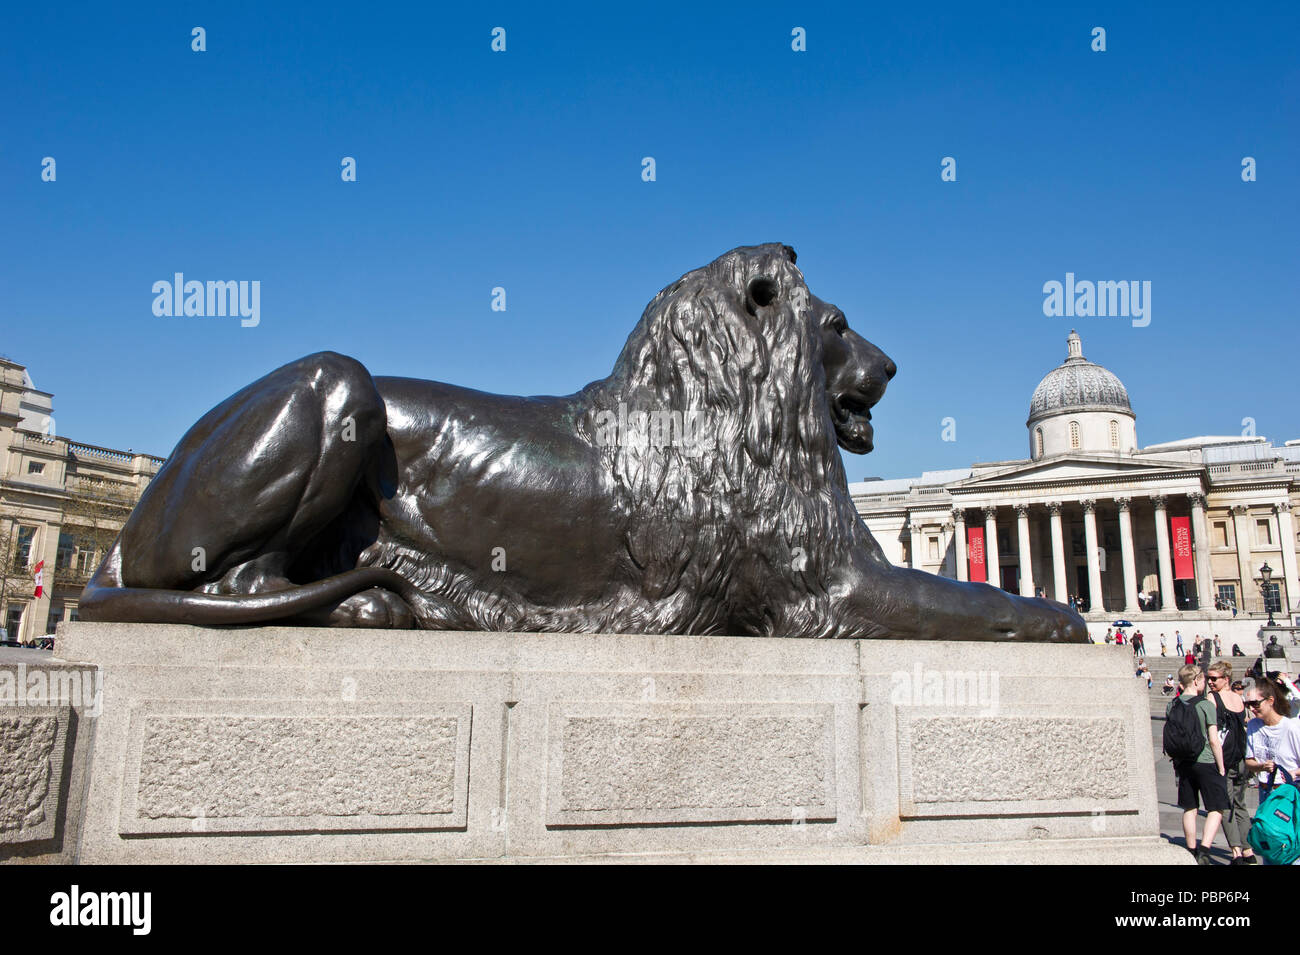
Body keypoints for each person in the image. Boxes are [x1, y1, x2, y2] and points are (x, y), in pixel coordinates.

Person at [1167, 665, 1229, 864]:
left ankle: (1191, 849)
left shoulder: (1172, 704)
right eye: (1203, 680)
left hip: (1183, 762)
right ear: (1195, 681)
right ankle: (1204, 850)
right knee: (1216, 808)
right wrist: (1221, 766)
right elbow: (1213, 740)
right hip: (1206, 760)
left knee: (1190, 808)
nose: (1205, 684)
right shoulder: (1205, 705)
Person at [1207, 661, 1255, 864]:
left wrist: (1217, 764)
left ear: (1225, 679)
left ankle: (1236, 851)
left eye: (1214, 678)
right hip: (1241, 756)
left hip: (1224, 758)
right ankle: (1249, 850)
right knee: (1241, 804)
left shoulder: (1213, 698)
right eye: (1209, 678)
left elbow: (1212, 733)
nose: (1210, 682)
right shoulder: (1238, 698)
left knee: (1226, 806)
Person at [1244, 678, 1300, 817]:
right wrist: (1262, 766)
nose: (1251, 708)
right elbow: (1249, 761)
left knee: (1283, 836)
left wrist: (1293, 773)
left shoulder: (1292, 728)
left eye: (1255, 703)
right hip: (1265, 790)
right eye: (1248, 704)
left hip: (1287, 792)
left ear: (1270, 700)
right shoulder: (1253, 725)